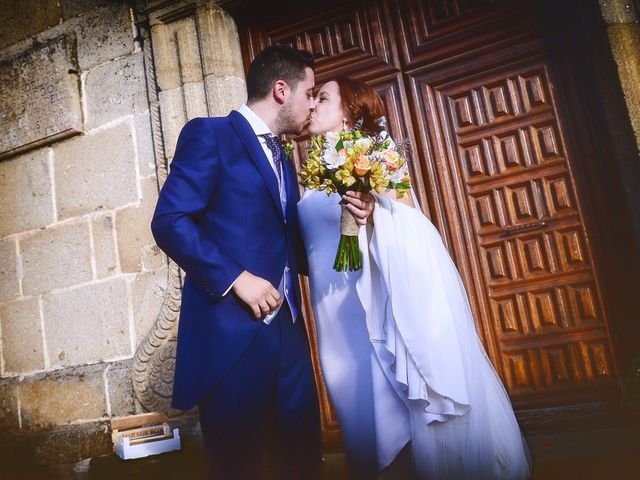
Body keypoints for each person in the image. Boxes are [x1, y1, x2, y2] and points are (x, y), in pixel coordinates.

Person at [298, 77, 532, 479]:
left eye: (323, 98)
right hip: (332, 312)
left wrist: (374, 214)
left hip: (371, 302)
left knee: (390, 405)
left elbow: (410, 220)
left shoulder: (377, 154)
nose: (313, 106)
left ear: (350, 112)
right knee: (351, 399)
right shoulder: (310, 172)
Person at [151, 46, 356, 480]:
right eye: (310, 92)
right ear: (281, 90)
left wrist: (357, 230)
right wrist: (236, 278)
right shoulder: (211, 134)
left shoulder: (283, 155)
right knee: (240, 464)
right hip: (232, 331)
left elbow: (284, 239)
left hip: (289, 331)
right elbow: (170, 221)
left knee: (300, 458)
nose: (312, 104)